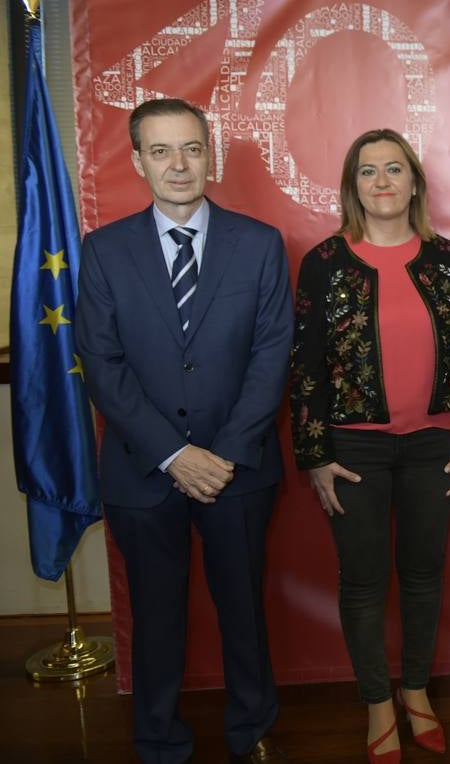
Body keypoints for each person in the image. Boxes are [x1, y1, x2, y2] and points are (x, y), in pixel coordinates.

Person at [75, 98, 291, 763]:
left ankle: (251, 732)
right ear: (138, 161)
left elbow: (271, 355)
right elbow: (103, 366)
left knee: (244, 613)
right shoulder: (104, 252)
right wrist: (175, 454)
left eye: (192, 148)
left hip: (240, 468)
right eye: (161, 151)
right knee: (157, 618)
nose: (178, 164)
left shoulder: (259, 243)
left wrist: (220, 456)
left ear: (210, 154)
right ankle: (159, 740)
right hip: (144, 471)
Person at [290, 128, 450, 763]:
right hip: (353, 450)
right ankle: (377, 698)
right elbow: (307, 366)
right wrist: (316, 453)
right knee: (364, 580)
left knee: (425, 575)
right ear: (352, 186)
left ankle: (417, 690)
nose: (382, 182)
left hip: (435, 443)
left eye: (394, 169)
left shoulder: (445, 257)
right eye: (368, 171)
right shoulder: (324, 261)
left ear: (414, 183)